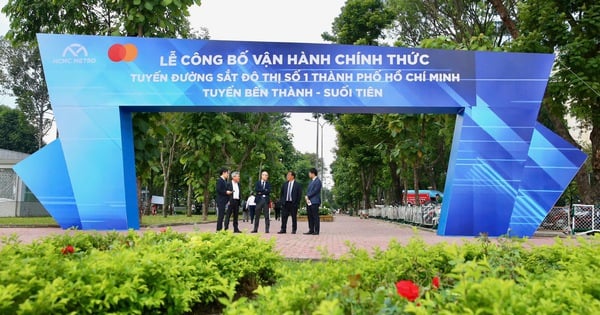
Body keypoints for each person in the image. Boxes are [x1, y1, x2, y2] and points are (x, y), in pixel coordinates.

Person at [304, 168, 322, 235]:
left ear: (313, 173)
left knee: (315, 216)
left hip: (315, 201)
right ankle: (311, 229)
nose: (309, 174)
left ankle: (316, 231)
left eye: (309, 173)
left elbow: (315, 191)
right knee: (310, 216)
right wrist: (307, 196)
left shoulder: (318, 181)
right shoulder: (311, 181)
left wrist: (308, 196)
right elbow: (309, 190)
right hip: (309, 201)